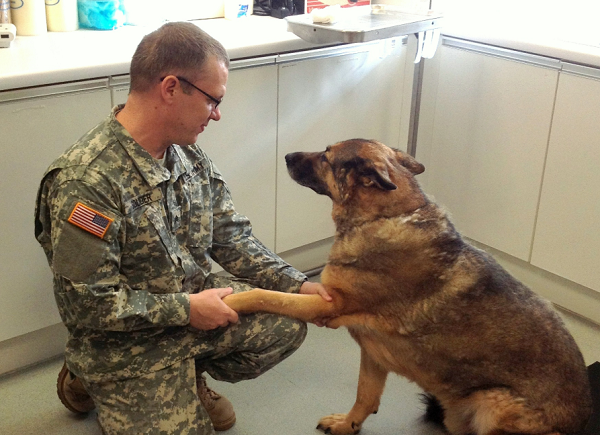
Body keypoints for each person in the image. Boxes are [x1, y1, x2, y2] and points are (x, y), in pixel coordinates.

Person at [34, 21, 330, 435]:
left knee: (285, 324)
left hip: (191, 310)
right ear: (171, 88)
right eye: (213, 100)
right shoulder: (87, 181)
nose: (217, 114)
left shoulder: (188, 156)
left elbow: (231, 237)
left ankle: (185, 375)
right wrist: (188, 310)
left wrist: (296, 285)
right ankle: (90, 376)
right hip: (122, 341)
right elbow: (88, 306)